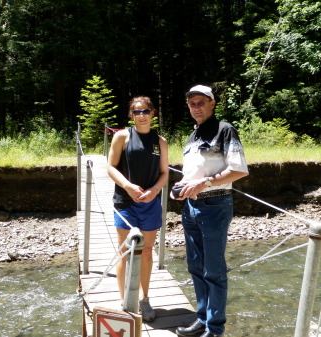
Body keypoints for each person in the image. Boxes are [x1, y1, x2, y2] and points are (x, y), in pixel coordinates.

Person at [171, 85, 249, 337]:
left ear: (212, 103)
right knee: (195, 266)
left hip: (215, 204)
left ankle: (215, 329)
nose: (196, 107)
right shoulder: (192, 135)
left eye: (201, 102)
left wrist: (203, 183)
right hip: (191, 206)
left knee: (213, 270)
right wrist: (183, 185)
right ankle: (202, 318)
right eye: (192, 103)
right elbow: (195, 172)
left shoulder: (224, 130)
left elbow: (238, 170)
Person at [107, 96, 169, 322]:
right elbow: (111, 167)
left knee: (146, 252)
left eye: (145, 111)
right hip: (126, 202)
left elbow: (164, 173)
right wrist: (128, 186)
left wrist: (154, 190)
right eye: (136, 112)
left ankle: (144, 299)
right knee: (126, 252)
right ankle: (126, 301)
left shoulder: (160, 141)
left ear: (153, 113)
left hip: (150, 204)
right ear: (131, 115)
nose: (141, 115)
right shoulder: (122, 136)